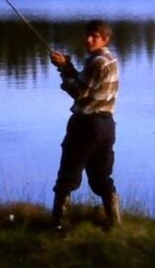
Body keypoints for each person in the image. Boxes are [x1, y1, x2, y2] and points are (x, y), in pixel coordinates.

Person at [48, 19, 121, 228]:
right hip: (107, 127)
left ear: (105, 39)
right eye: (87, 35)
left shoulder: (97, 61)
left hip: (87, 126)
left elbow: (79, 91)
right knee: (101, 177)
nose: (89, 40)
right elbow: (85, 83)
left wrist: (63, 70)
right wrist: (68, 66)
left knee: (67, 177)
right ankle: (115, 224)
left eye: (94, 36)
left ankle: (58, 226)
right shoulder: (109, 59)